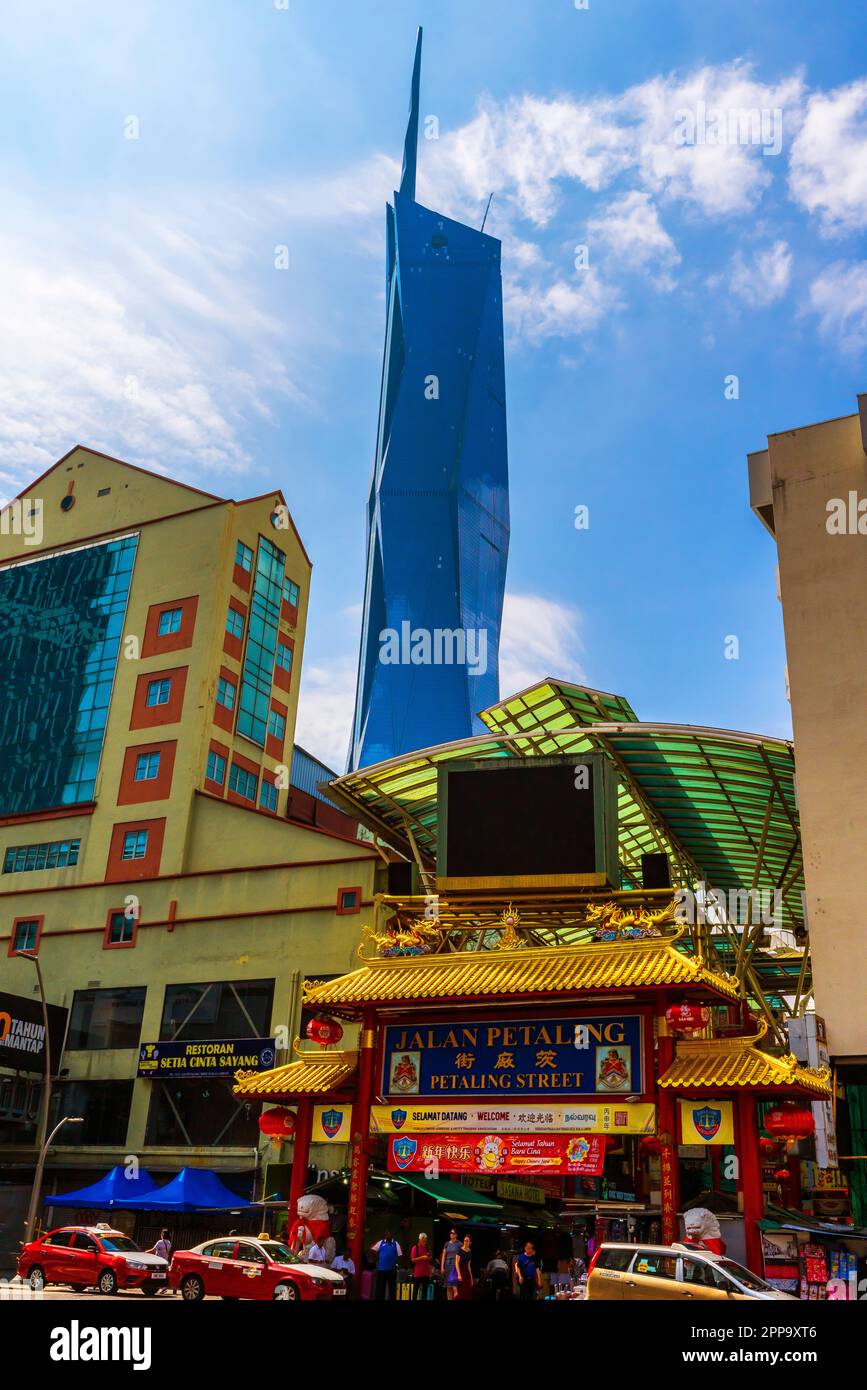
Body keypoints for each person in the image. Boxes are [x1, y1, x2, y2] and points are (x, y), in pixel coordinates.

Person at [370, 1231, 402, 1300]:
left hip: (392, 1269)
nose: (388, 1236)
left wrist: (397, 1264)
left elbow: (400, 1255)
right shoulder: (381, 1242)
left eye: (389, 1234)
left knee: (392, 1288)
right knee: (381, 1288)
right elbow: (372, 1249)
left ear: (391, 1235)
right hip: (381, 1269)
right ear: (385, 1236)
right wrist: (377, 1257)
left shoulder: (395, 1243)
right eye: (386, 1235)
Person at [440, 1226, 462, 1300]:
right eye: (451, 1233)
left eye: (453, 1233)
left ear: (456, 1235)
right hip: (447, 1264)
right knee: (448, 1286)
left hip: (454, 1265)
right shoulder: (446, 1244)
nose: (452, 1234)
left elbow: (462, 1254)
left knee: (453, 1283)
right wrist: (442, 1267)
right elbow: (443, 1256)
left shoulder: (459, 1244)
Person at [410, 1232, 433, 1301]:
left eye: (425, 1240)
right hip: (417, 1274)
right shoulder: (415, 1248)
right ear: (420, 1239)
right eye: (423, 1240)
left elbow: (430, 1257)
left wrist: (429, 1256)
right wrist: (422, 1257)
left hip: (426, 1274)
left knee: (424, 1292)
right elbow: (413, 1259)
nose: (425, 1241)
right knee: (415, 1291)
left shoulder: (427, 1248)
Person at [455, 1234, 474, 1300]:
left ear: (470, 1243)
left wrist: (471, 1278)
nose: (465, 1242)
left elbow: (469, 1266)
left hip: (467, 1272)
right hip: (461, 1271)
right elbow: (456, 1263)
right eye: (464, 1240)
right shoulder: (460, 1250)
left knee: (467, 1292)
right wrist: (459, 1274)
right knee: (460, 1292)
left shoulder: (470, 1251)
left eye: (467, 1241)